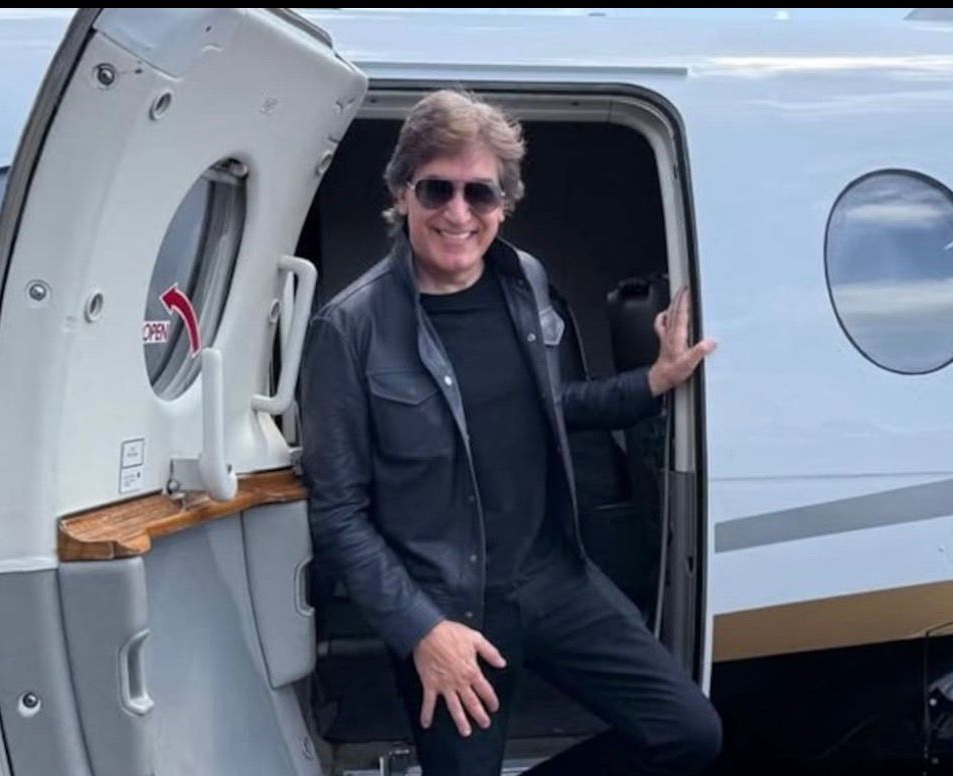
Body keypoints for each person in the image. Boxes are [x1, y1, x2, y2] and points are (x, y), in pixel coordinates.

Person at [300, 88, 720, 776]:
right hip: (447, 610)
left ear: (504, 203)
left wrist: (653, 381)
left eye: (480, 193)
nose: (458, 213)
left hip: (555, 578)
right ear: (402, 193)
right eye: (436, 190)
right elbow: (337, 512)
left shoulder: (524, 279)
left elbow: (551, 406)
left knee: (688, 732)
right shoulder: (350, 328)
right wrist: (421, 631)